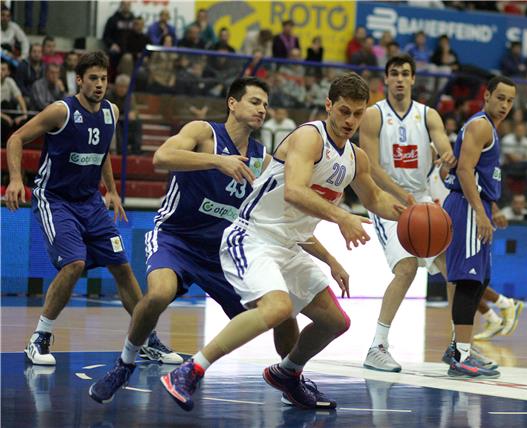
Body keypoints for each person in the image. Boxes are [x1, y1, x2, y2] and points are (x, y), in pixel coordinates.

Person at [88, 76, 348, 404]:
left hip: (224, 251)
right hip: (176, 238)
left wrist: (330, 259)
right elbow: (161, 158)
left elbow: (280, 223)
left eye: (266, 105)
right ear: (232, 103)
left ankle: (290, 377)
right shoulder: (203, 133)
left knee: (283, 314)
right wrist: (216, 160)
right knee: (160, 293)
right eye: (255, 101)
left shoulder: (263, 159)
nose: (262, 109)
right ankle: (124, 363)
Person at [159, 72, 407, 411]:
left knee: (336, 321)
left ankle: (287, 373)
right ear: (329, 105)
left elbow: (375, 198)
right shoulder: (309, 137)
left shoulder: (355, 157)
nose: (350, 120)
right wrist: (343, 217)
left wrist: (413, 215)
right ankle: (190, 370)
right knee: (276, 310)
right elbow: (294, 191)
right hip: (252, 236)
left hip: (288, 246)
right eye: (344, 111)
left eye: (358, 113)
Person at [5, 51, 175, 366]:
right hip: (55, 198)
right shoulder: (61, 111)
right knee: (74, 263)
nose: (99, 85)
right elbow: (16, 138)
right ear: (79, 80)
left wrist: (111, 190)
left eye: (103, 79)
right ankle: (39, 338)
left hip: (90, 201)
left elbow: (102, 152)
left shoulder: (111, 111)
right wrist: (16, 180)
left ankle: (147, 339)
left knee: (123, 267)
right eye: (93, 79)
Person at [358, 54, 455, 372]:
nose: (400, 78)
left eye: (405, 74)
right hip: (387, 201)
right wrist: (403, 196)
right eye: (394, 73)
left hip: (422, 200)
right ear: (386, 79)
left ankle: (459, 347)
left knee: (452, 267)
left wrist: (447, 152)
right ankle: (377, 346)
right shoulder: (373, 115)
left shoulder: (428, 115)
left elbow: (441, 141)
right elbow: (369, 167)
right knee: (407, 269)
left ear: (413, 79)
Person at [443, 75, 517, 377]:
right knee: (469, 281)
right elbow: (463, 169)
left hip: (478, 206)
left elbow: (480, 176)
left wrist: (492, 208)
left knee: (481, 280)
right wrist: (480, 212)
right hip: (466, 208)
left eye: (510, 100)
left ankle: (459, 349)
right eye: (500, 97)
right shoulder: (481, 124)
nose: (505, 105)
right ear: (486, 96)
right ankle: (461, 355)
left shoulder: (489, 128)